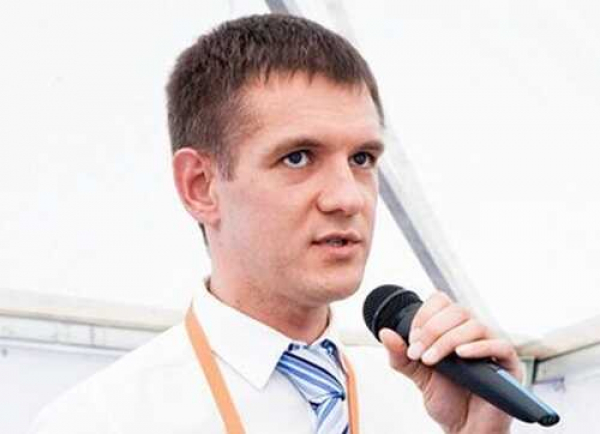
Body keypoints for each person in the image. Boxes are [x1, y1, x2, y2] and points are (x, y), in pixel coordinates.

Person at [29, 14, 522, 434]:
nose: (348, 197)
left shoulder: (426, 405)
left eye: (362, 158)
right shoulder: (97, 421)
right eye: (298, 157)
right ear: (200, 186)